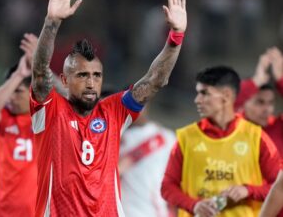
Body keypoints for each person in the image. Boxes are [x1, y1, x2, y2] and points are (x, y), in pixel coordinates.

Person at [28, 0, 187, 215]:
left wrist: (175, 37)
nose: (91, 82)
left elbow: (155, 80)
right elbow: (39, 72)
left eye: (96, 75)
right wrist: (52, 22)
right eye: (82, 75)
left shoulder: (113, 112)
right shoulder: (50, 111)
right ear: (64, 80)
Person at [161, 66, 281, 217]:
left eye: (204, 93)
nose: (197, 100)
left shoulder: (256, 137)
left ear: (226, 95)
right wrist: (194, 205)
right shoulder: (186, 138)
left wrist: (248, 190)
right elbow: (167, 187)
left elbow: (279, 187)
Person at [0, 33, 38, 217]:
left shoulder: (44, 120)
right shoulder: (2, 119)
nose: (11, 97)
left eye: (18, 92)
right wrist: (19, 75)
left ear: (31, 92)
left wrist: (42, 61)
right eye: (10, 91)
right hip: (1, 212)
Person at [119, 106, 176, 217]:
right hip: (127, 211)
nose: (136, 109)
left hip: (156, 210)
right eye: (131, 104)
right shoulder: (117, 138)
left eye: (140, 103)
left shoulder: (166, 136)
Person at [234, 47, 283, 157]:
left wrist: (280, 78)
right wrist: (257, 80)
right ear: (244, 103)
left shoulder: (279, 128)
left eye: (270, 103)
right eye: (260, 102)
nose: (267, 109)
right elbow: (223, 103)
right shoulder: (233, 127)